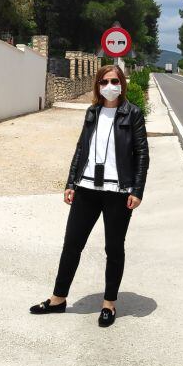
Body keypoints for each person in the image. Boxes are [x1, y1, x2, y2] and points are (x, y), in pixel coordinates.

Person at [30, 65, 149, 327]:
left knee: (114, 248)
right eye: (104, 81)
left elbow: (142, 155)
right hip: (86, 190)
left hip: (118, 193)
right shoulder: (92, 112)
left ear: (122, 84)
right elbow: (81, 148)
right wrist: (71, 182)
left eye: (114, 81)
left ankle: (109, 304)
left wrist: (137, 190)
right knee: (71, 245)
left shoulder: (133, 113)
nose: (109, 85)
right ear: (98, 85)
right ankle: (58, 299)